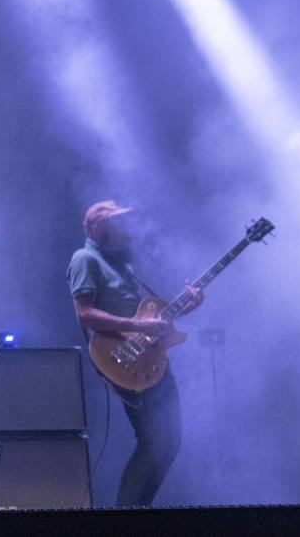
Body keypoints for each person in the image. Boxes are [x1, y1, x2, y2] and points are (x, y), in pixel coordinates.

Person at [67, 200, 203, 507]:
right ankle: (127, 518)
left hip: (149, 357)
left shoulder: (121, 264)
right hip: (122, 357)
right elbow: (85, 313)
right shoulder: (85, 259)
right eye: (118, 224)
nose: (126, 229)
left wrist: (189, 304)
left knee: (168, 442)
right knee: (154, 442)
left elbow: (148, 318)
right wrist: (133, 324)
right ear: (100, 229)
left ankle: (136, 512)